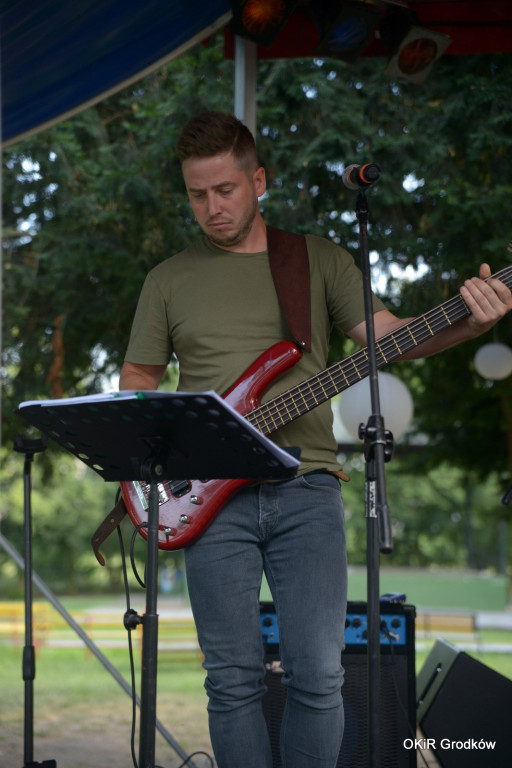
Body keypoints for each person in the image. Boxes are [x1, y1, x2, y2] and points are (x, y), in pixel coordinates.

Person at [119, 112, 511, 768]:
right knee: (232, 680)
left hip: (307, 486)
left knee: (320, 676)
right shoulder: (167, 279)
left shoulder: (319, 258)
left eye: (226, 190)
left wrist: (470, 323)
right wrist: (170, 445)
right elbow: (137, 382)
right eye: (197, 195)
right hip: (208, 496)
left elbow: (391, 337)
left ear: (259, 181)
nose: (212, 208)